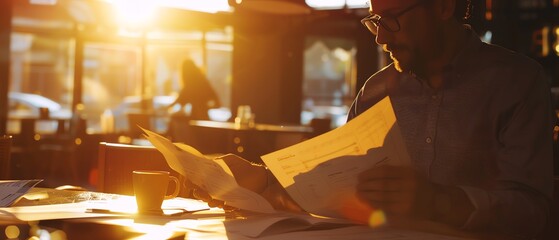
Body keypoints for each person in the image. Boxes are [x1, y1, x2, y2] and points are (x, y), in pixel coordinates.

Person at [192, 0, 555, 239]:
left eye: (392, 19)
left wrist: (439, 202)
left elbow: (535, 214)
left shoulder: (516, 82)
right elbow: (334, 183)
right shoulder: (377, 90)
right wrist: (261, 180)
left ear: (444, 6)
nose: (380, 37)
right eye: (375, 21)